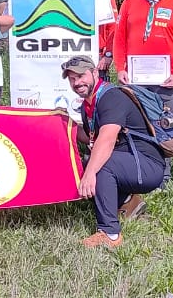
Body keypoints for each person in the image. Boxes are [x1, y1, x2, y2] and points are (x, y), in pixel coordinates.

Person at [62, 56, 166, 250]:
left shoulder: (111, 97)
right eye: (72, 79)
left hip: (148, 165)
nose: (77, 83)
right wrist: (64, 124)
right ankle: (128, 202)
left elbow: (107, 139)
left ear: (94, 73)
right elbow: (90, 136)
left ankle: (110, 233)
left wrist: (91, 173)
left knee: (100, 165)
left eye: (81, 76)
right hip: (129, 162)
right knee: (85, 164)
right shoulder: (88, 102)